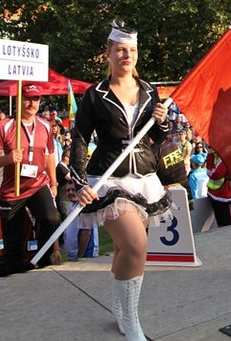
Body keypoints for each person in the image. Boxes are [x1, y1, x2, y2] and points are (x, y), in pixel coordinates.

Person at [72, 21, 172, 341]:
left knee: (121, 249)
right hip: (107, 179)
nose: (125, 55)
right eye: (119, 50)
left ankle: (120, 311)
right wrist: (78, 181)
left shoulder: (149, 91)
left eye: (131, 50)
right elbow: (78, 139)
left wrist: (163, 124)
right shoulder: (94, 94)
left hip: (144, 178)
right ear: (109, 53)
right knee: (135, 245)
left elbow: (154, 138)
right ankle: (132, 321)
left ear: (136, 54)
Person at [0, 83, 61, 273]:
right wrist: (7, 159)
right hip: (11, 190)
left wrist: (53, 181)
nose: (31, 103)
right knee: (13, 241)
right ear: (18, 100)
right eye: (27, 98)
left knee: (52, 219)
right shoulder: (4, 126)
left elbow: (50, 155)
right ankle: (15, 277)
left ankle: (42, 258)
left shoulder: (45, 126)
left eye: (36, 99)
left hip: (37, 184)